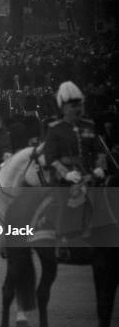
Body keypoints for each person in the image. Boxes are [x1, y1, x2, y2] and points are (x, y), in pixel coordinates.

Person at [43, 81, 107, 237]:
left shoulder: (89, 125)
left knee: (101, 202)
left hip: (88, 173)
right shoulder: (55, 128)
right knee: (63, 207)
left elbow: (99, 150)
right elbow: (50, 157)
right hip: (63, 177)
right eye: (73, 105)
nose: (78, 109)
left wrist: (100, 167)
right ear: (63, 108)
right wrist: (66, 174)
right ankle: (60, 241)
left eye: (79, 104)